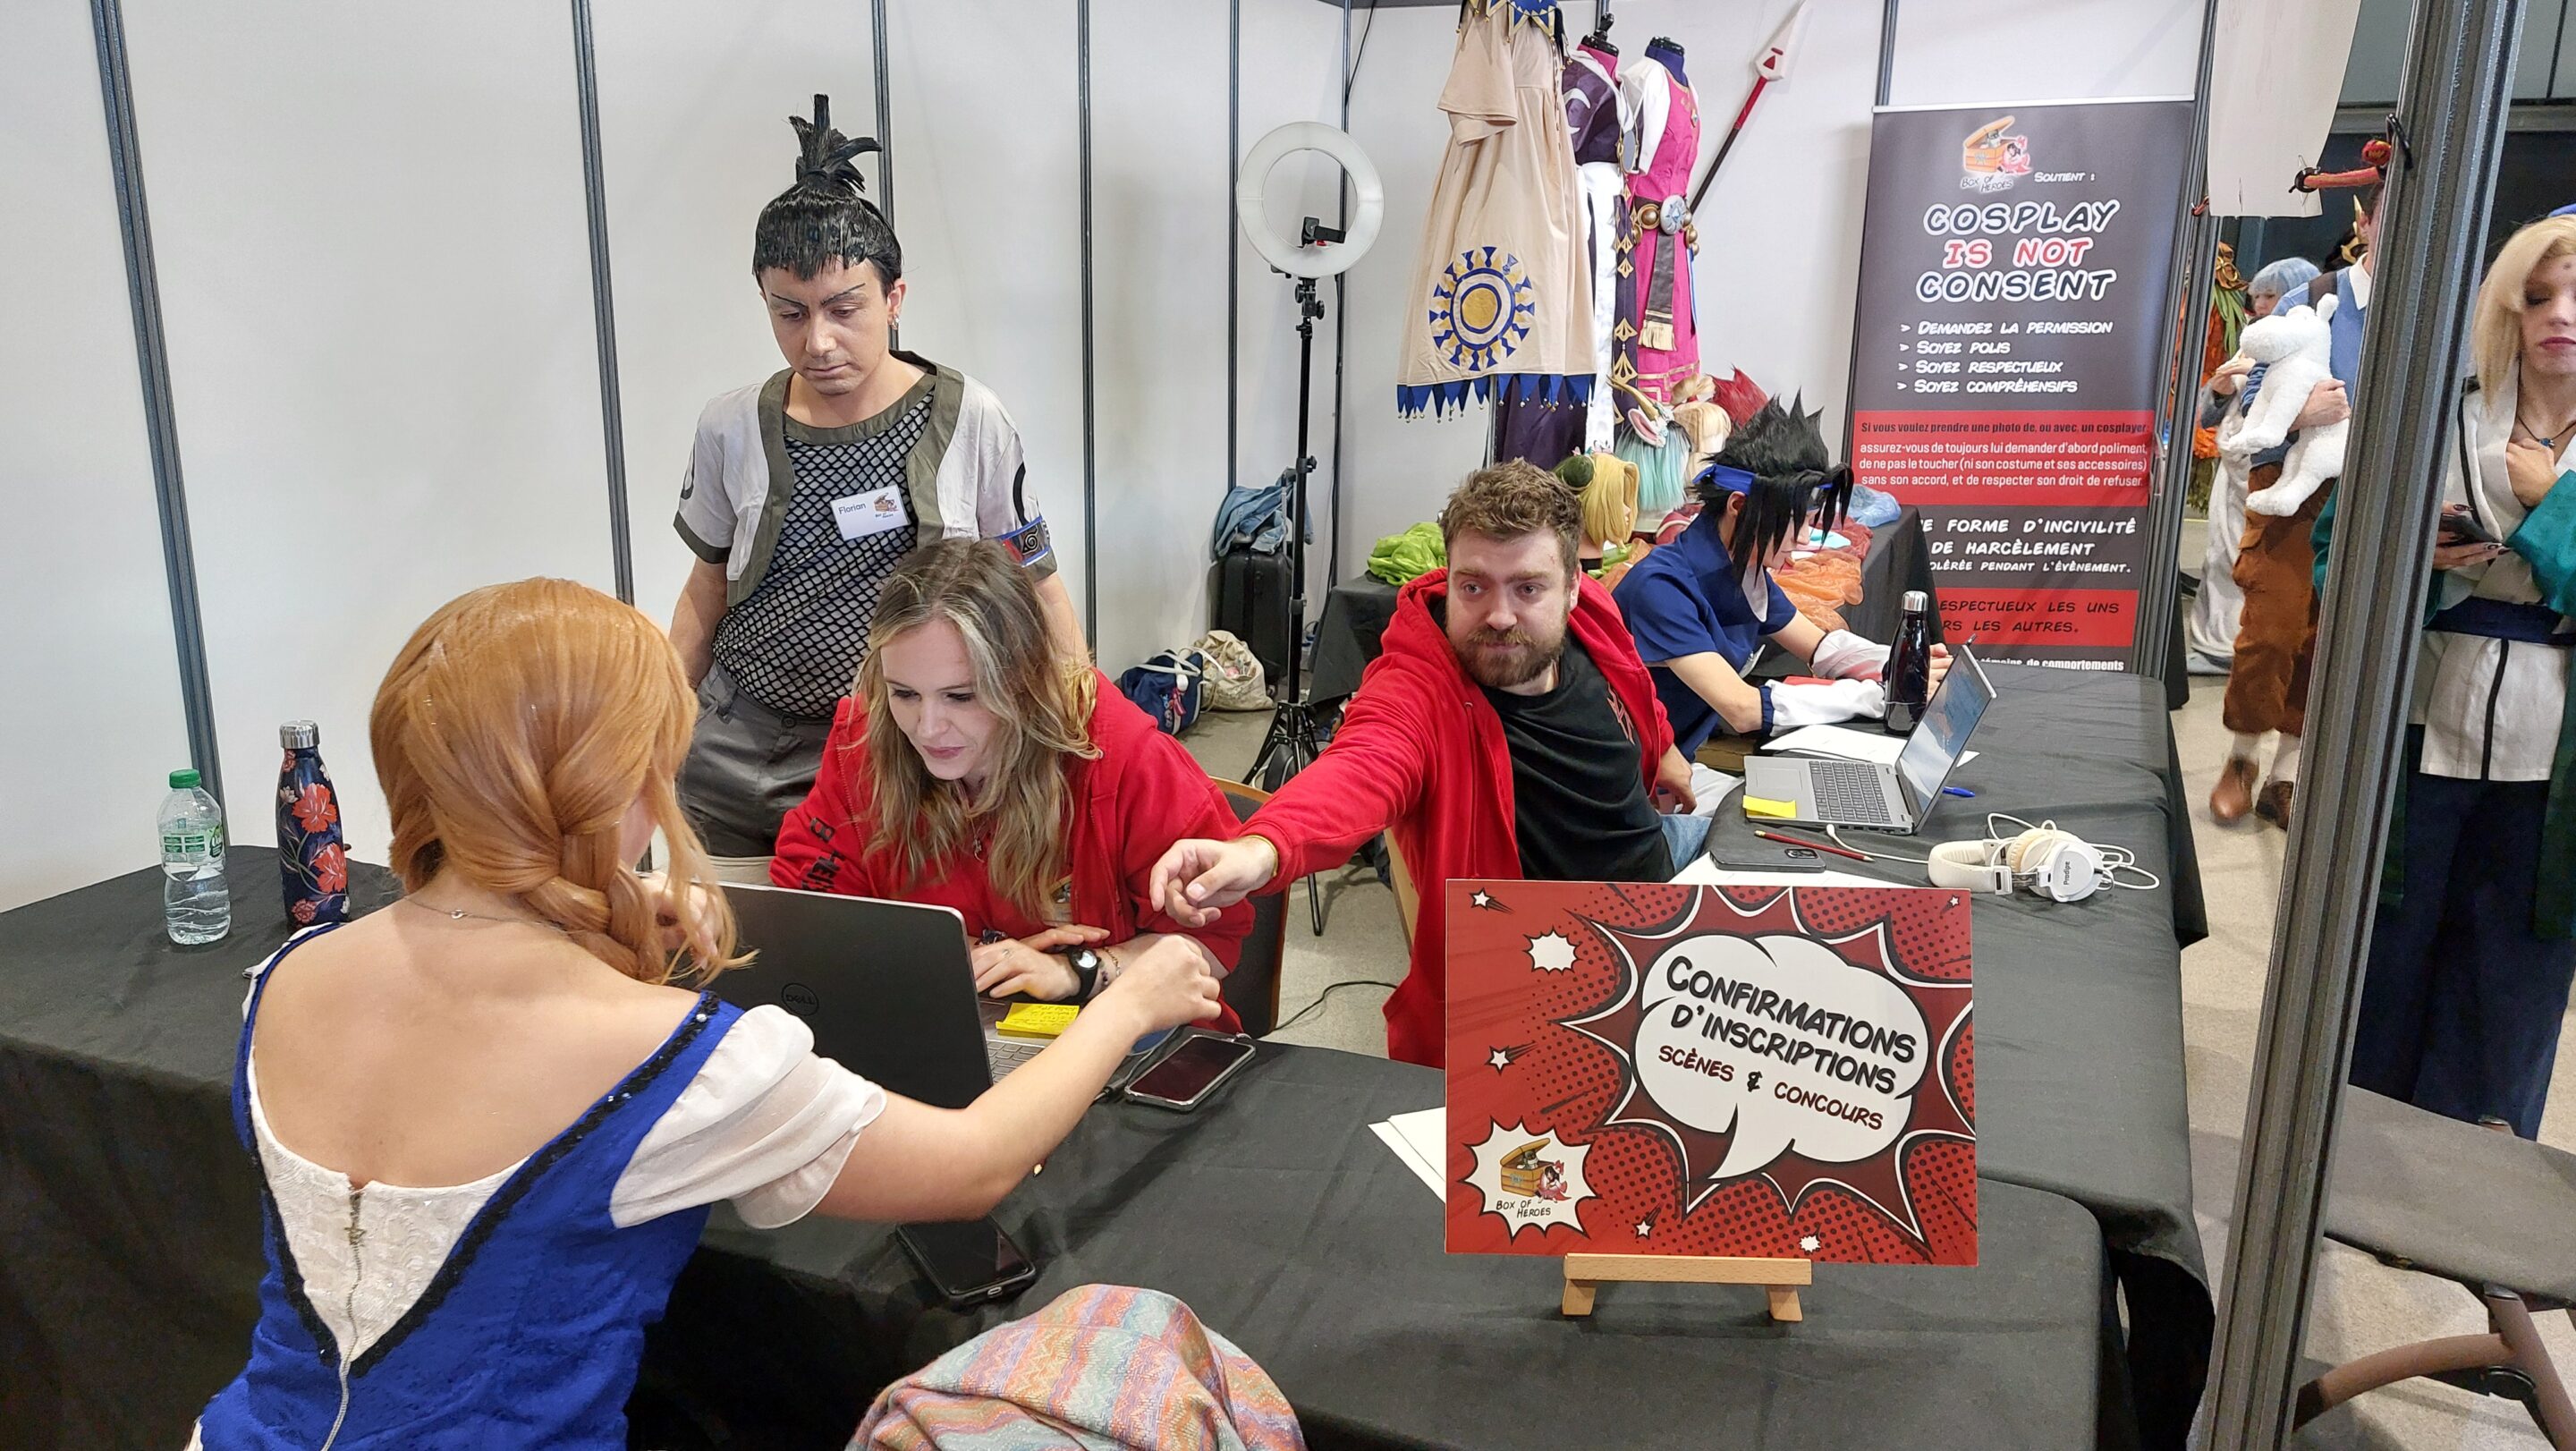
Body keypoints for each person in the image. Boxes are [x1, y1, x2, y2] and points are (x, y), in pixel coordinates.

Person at [191, 579, 1216, 1448]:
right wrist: (1126, 999)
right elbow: (976, 1163)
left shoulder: (285, 976)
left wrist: (604, 898)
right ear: (616, 781)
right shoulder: (667, 1057)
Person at [1145, 462, 1700, 1067]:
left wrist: (1663, 747)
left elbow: (1631, 681)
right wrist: (1263, 848)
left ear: (1572, 587)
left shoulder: (1591, 614)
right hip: (1553, 967)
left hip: (1661, 890)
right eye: (1474, 587)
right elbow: (1362, 766)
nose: (1499, 615)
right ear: (1450, 577)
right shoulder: (1418, 687)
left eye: (1528, 589)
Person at [670, 97, 1081, 878]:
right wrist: (653, 725)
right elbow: (705, 590)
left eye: (843, 309)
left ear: (893, 299)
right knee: (729, 939)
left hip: (906, 758)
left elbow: (1038, 583)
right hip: (736, 750)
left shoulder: (969, 418)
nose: (818, 342)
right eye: (790, 314)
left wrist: (1080, 733)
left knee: (884, 944)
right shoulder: (732, 426)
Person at [773, 540, 1250, 1031]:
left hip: (1120, 1031)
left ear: (1026, 681)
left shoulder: (1121, 755)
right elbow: (809, 910)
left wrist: (1073, 972)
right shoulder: (866, 742)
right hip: (947, 1021)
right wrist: (951, 951)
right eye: (905, 693)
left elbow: (1210, 948)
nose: (927, 728)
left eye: (961, 696)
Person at [2337, 215, 2576, 1139]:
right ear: (2507, 306)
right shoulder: (2436, 413)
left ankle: (2472, 1172)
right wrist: (2418, 560)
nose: (2561, 316)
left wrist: (2551, 507)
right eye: (2540, 295)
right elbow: (2337, 550)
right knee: (2386, 941)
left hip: (2553, 755)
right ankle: (2355, 1142)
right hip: (2417, 715)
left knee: (2513, 965)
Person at [1612, 397, 1948, 755]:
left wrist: (1902, 664)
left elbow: (1820, 647)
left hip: (1672, 758)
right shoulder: (1662, 588)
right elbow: (1742, 709)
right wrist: (1879, 698)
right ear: (1739, 506)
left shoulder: (1742, 570)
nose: (1803, 538)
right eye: (1792, 522)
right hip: (1637, 773)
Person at [2209, 184, 2378, 827]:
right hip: (2292, 488)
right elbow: (2249, 395)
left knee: (2326, 637)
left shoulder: (2432, 307)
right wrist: (2303, 412)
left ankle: (2286, 772)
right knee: (2272, 631)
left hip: (2374, 496)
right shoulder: (2312, 297)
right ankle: (2241, 757)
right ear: (2368, 221)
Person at [2185, 257, 2320, 674]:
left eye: (2270, 295)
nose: (2260, 304)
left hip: (2275, 471)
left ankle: (2238, 646)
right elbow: (2209, 414)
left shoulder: (2311, 344)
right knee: (2220, 555)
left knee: (2256, 563)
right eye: (2257, 296)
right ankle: (2214, 640)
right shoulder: (2252, 341)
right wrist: (2221, 389)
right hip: (2234, 467)